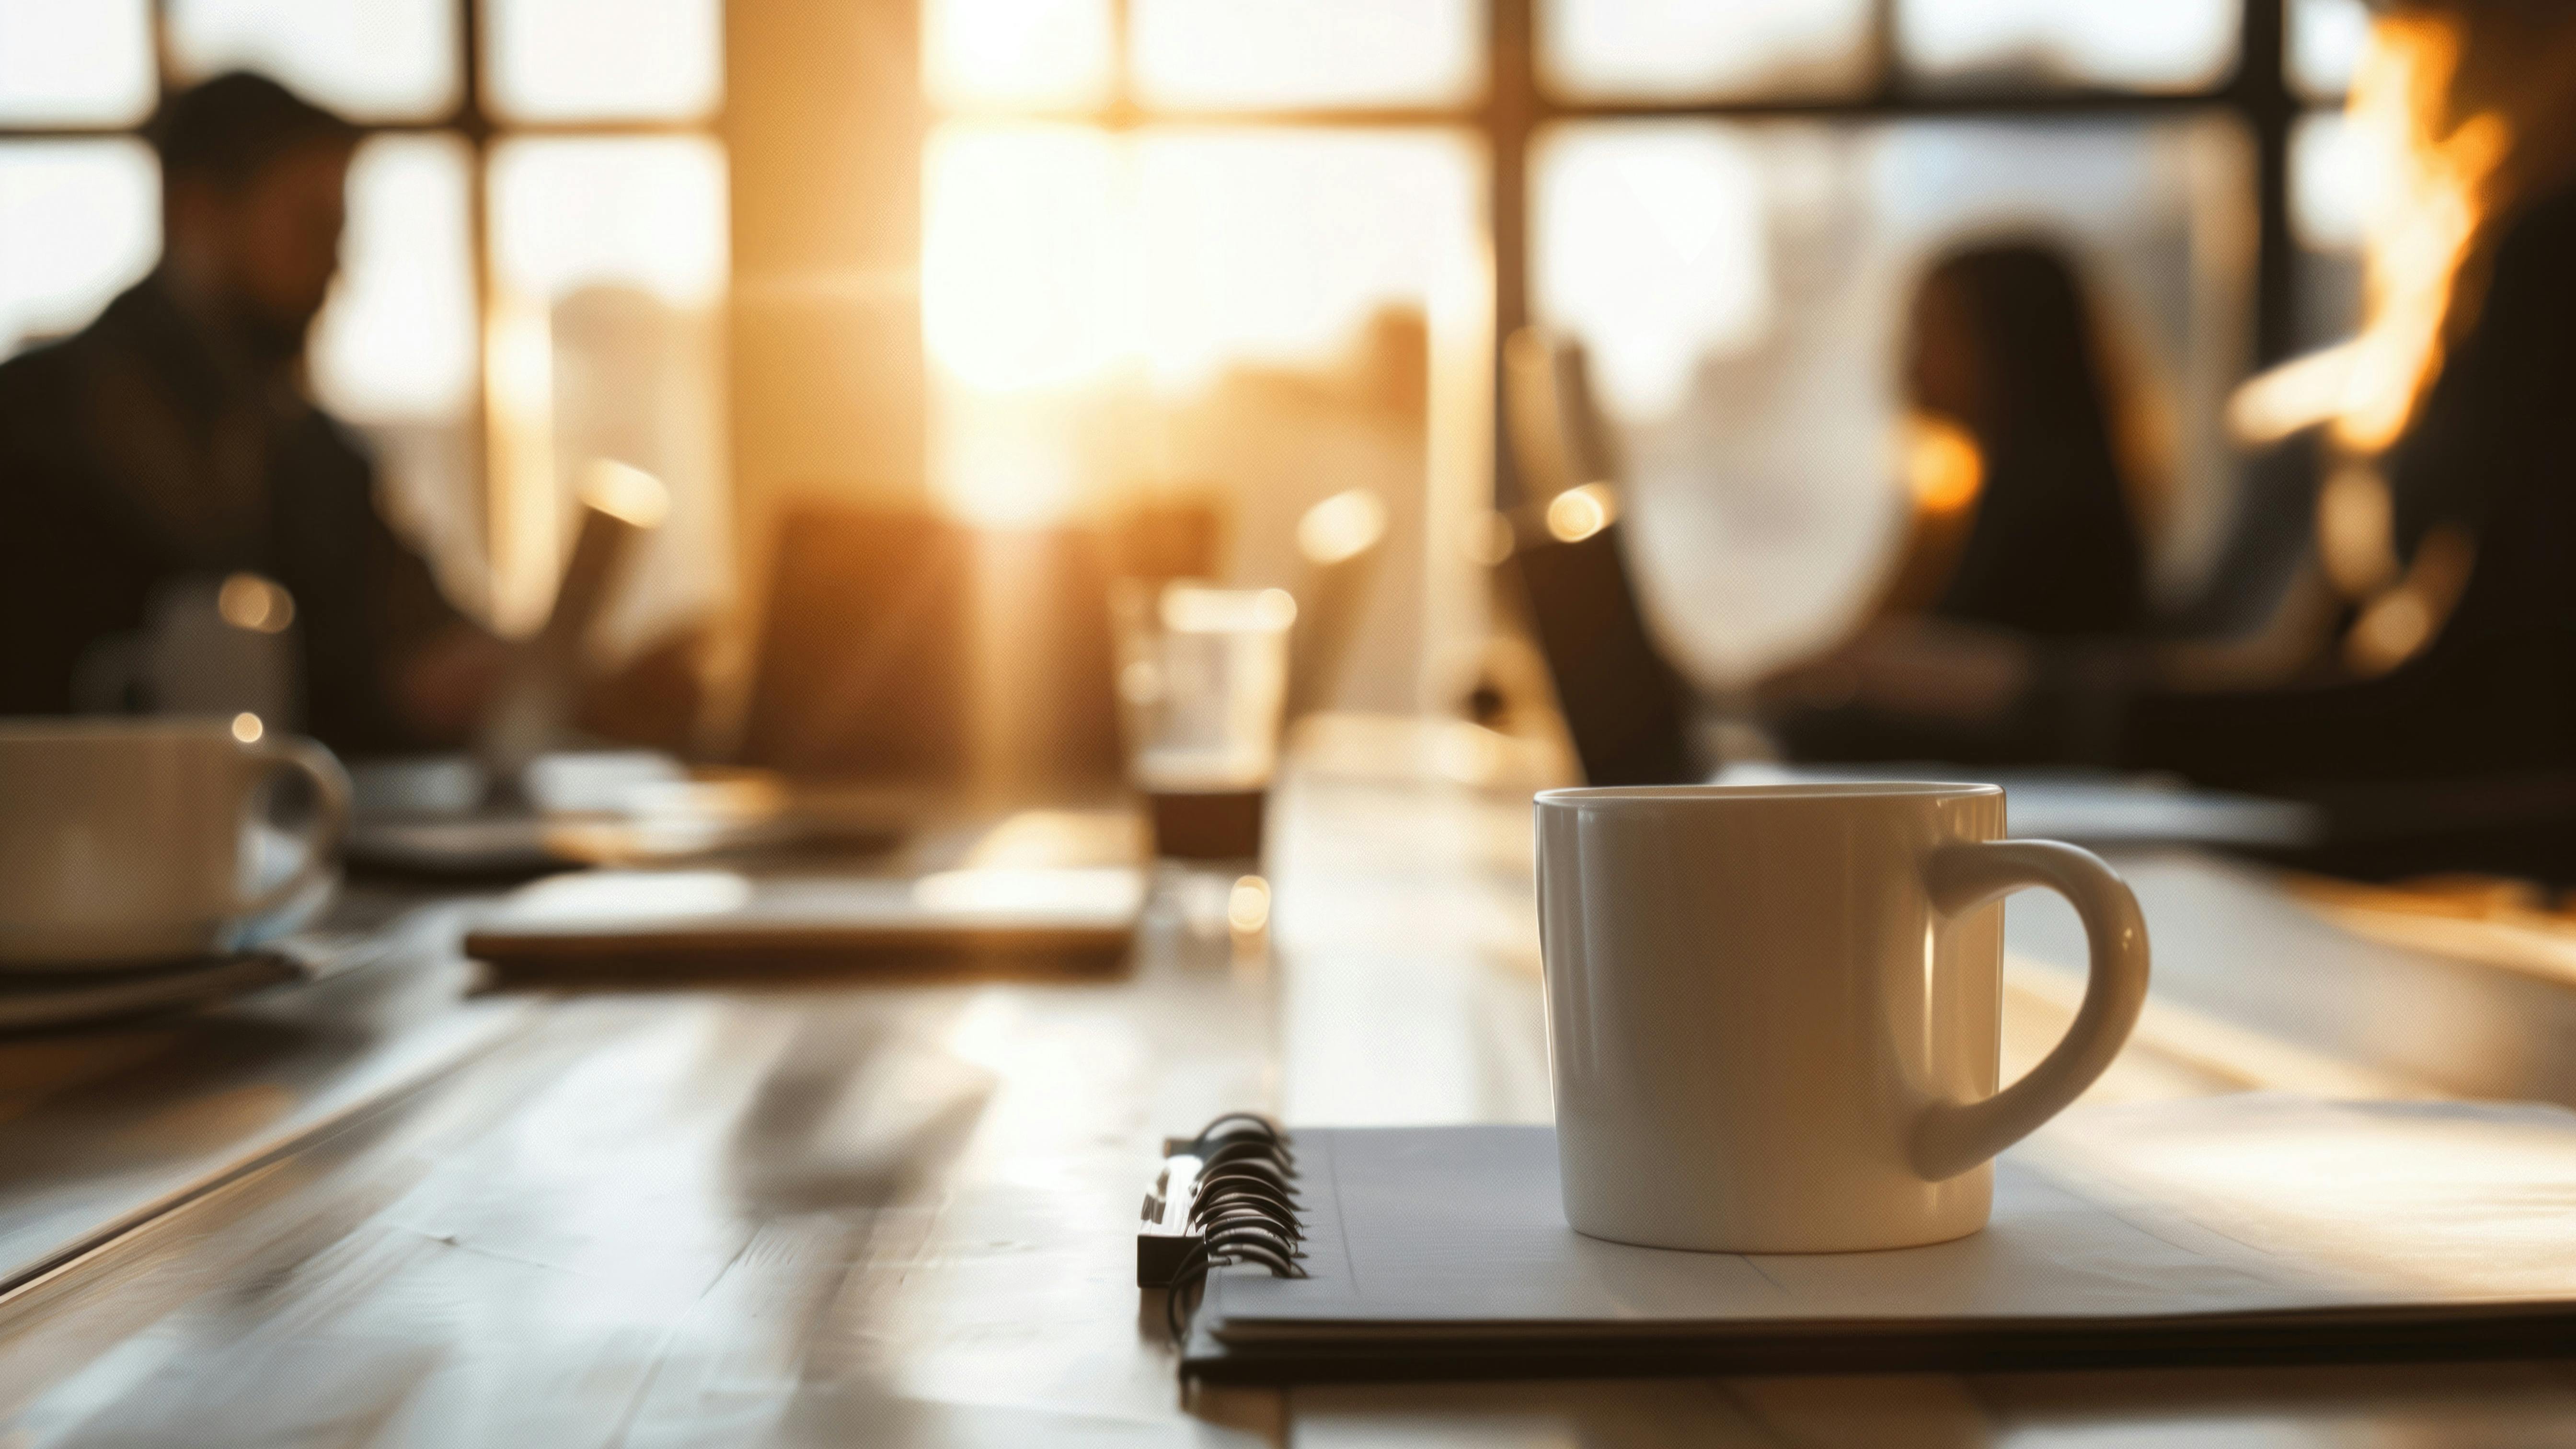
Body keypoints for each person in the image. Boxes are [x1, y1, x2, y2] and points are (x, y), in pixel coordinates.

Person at [1770, 0, 2576, 874]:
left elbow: (2472, 711)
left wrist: (2024, 693)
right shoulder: (2467, 286)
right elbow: (2355, 670)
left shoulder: (2548, 260)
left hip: (2488, 869)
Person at [0, 72, 501, 754]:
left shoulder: (316, 455)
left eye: (340, 236)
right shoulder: (33, 427)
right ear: (197, 214)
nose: (336, 270)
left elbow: (427, 630)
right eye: (311, 229)